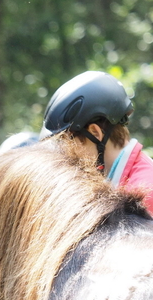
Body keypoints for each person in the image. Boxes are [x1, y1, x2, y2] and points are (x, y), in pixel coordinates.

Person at [40, 70, 153, 214]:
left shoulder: (144, 195)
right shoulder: (118, 182)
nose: (67, 156)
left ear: (95, 133)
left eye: (68, 144)